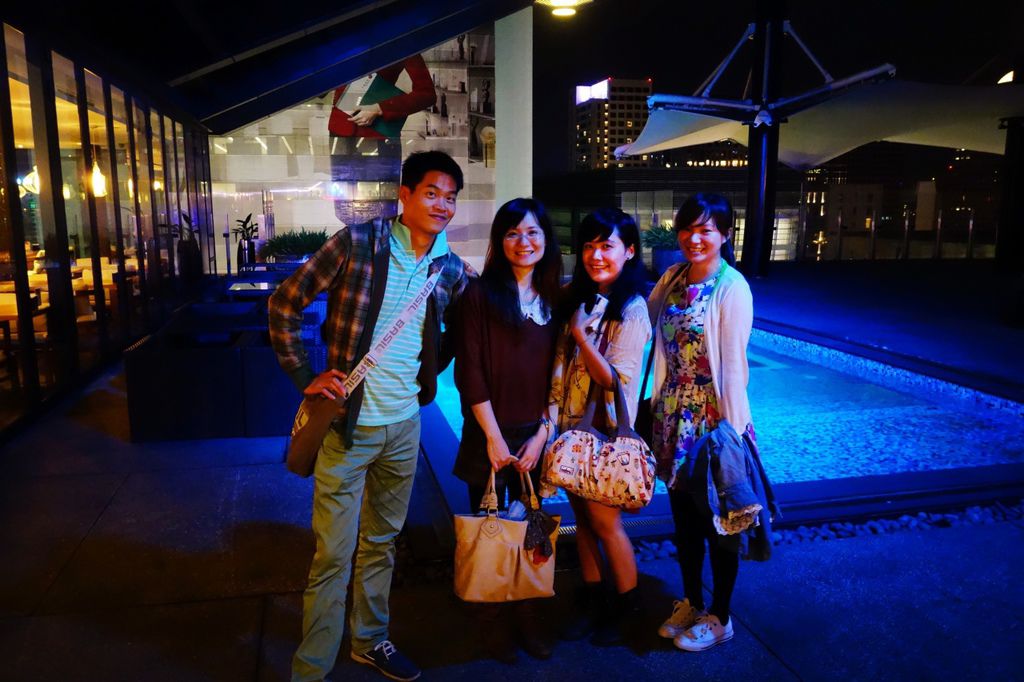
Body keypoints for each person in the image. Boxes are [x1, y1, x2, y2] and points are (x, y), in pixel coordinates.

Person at [269, 151, 472, 682]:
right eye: (432, 193)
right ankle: (312, 666)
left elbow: (473, 323)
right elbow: (285, 301)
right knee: (333, 554)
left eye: (451, 197)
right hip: (347, 425)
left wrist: (430, 372)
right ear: (405, 196)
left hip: (404, 427)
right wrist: (304, 374)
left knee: (381, 543)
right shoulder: (358, 243)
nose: (442, 205)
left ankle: (370, 640)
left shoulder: (448, 268)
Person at [452, 197, 563, 663]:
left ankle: (528, 614)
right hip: (489, 436)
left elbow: (560, 373)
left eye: (533, 232)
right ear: (500, 241)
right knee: (491, 528)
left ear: (546, 239)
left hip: (535, 436)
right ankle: (491, 618)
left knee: (532, 531)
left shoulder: (556, 299)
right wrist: (494, 439)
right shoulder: (479, 296)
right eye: (513, 233)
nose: (524, 241)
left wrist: (543, 433)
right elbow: (470, 372)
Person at [647, 193, 754, 652]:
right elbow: (644, 327)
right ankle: (692, 601)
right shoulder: (672, 278)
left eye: (706, 229)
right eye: (688, 228)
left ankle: (721, 616)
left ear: (725, 235)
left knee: (719, 522)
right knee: (685, 521)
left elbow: (734, 368)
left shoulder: (732, 287)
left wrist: (734, 433)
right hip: (672, 416)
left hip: (712, 421)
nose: (694, 238)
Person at [546, 208, 652, 646]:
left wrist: (580, 336)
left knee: (606, 523)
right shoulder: (581, 297)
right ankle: (592, 597)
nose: (596, 255)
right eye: (589, 246)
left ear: (629, 251)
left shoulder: (632, 309)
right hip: (575, 429)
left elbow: (615, 380)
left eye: (607, 246)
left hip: (606, 434)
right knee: (584, 519)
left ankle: (628, 607)